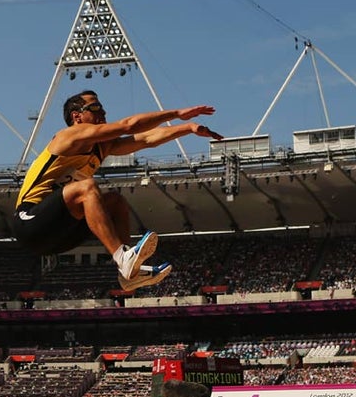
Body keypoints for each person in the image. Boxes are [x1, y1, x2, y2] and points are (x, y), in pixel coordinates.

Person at [12, 90, 222, 291]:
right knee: (87, 187)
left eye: (102, 106)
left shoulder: (102, 147)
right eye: (95, 107)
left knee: (115, 202)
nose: (103, 112)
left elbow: (146, 139)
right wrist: (176, 114)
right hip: (29, 222)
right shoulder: (69, 136)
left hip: (58, 235)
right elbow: (128, 125)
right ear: (77, 116)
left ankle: (129, 274)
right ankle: (123, 257)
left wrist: (187, 128)